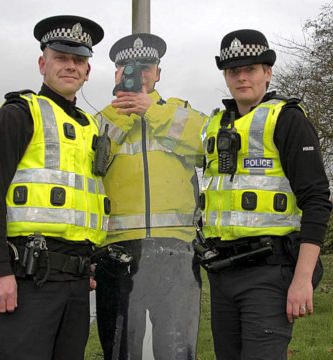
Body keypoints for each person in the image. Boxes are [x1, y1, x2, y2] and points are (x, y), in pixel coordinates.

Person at [0, 15, 109, 360]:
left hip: (77, 285)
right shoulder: (19, 113)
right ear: (42, 63)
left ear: (88, 71)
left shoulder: (89, 129)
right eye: (61, 58)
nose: (70, 67)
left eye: (79, 60)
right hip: (28, 280)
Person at [198, 29, 332, 360]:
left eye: (251, 69)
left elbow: (316, 200)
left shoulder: (286, 119)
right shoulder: (216, 127)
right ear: (226, 77)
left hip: (269, 273)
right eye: (233, 71)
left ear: (267, 73)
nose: (242, 77)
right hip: (222, 274)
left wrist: (302, 279)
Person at [93, 33, 205, 360]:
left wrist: (150, 111)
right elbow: (89, 162)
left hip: (176, 251)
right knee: (120, 351)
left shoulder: (181, 112)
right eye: (129, 67)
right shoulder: (101, 119)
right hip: (117, 253)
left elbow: (203, 150)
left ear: (158, 72)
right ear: (117, 72)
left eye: (146, 67)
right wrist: (125, 109)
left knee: (176, 352)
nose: (138, 73)